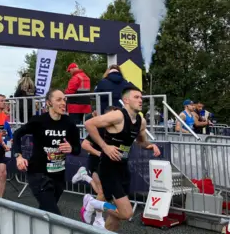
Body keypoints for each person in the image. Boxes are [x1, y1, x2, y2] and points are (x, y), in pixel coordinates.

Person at [84, 85, 161, 232]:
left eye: (141, 98)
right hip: (109, 168)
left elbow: (140, 141)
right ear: (126, 100)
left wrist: (151, 146)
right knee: (126, 213)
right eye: (136, 97)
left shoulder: (141, 121)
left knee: (115, 217)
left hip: (123, 168)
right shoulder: (118, 116)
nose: (140, 100)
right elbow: (89, 124)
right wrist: (105, 147)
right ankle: (93, 203)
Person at [13, 89, 87, 215]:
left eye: (64, 99)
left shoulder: (69, 123)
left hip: (58, 175)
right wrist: (18, 156)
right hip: (38, 174)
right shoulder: (38, 121)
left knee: (47, 212)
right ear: (48, 103)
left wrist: (71, 148)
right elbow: (17, 134)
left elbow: (77, 149)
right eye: (58, 100)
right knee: (55, 215)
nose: (63, 103)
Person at [71, 106, 119, 228]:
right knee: (102, 192)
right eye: (111, 116)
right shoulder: (100, 130)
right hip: (96, 162)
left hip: (109, 165)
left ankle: (85, 180)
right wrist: (101, 153)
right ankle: (98, 218)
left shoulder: (120, 131)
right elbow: (85, 145)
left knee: (100, 192)